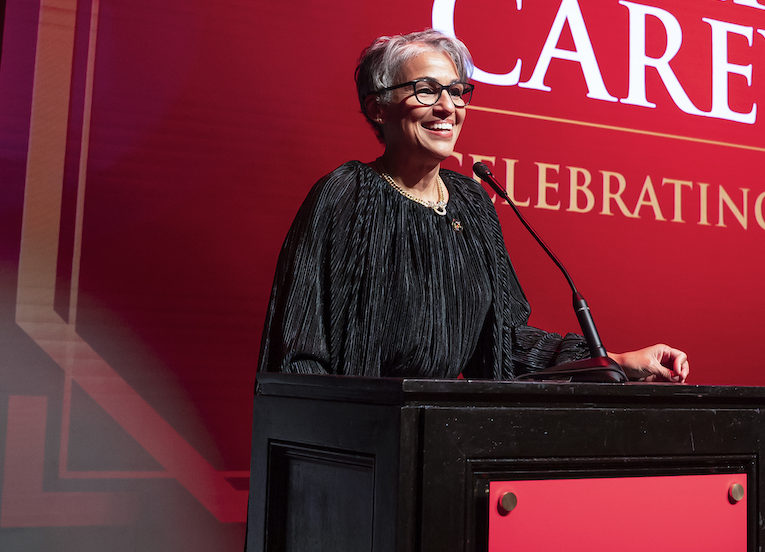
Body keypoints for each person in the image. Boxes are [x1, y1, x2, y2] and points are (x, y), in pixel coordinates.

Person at [258, 30, 689, 382]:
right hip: (359, 447)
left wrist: (614, 361)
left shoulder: (472, 201)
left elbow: (504, 343)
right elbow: (297, 354)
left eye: (457, 91)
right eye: (426, 91)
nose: (448, 106)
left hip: (447, 439)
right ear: (377, 108)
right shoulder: (346, 194)